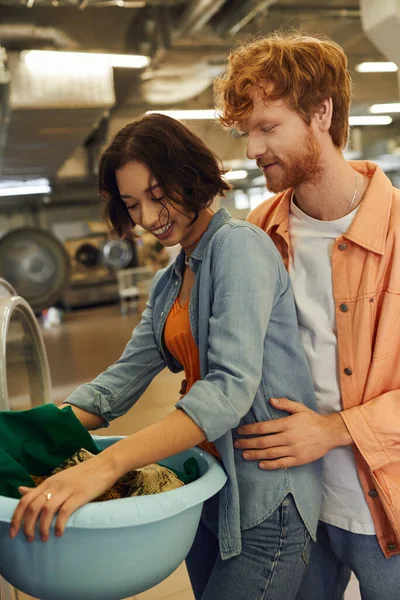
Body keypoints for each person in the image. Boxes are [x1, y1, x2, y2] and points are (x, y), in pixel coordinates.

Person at [9, 113, 321, 600]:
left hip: (266, 499)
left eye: (158, 195)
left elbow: (228, 391)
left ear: (190, 174)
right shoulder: (169, 281)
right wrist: (28, 434)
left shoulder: (239, 248)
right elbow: (120, 382)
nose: (149, 218)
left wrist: (105, 466)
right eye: (132, 205)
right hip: (211, 486)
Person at [214, 31, 400, 600]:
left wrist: (332, 430)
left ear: (322, 113)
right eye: (247, 133)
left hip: (385, 512)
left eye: (268, 128)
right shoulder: (257, 231)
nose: (251, 150)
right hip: (295, 510)